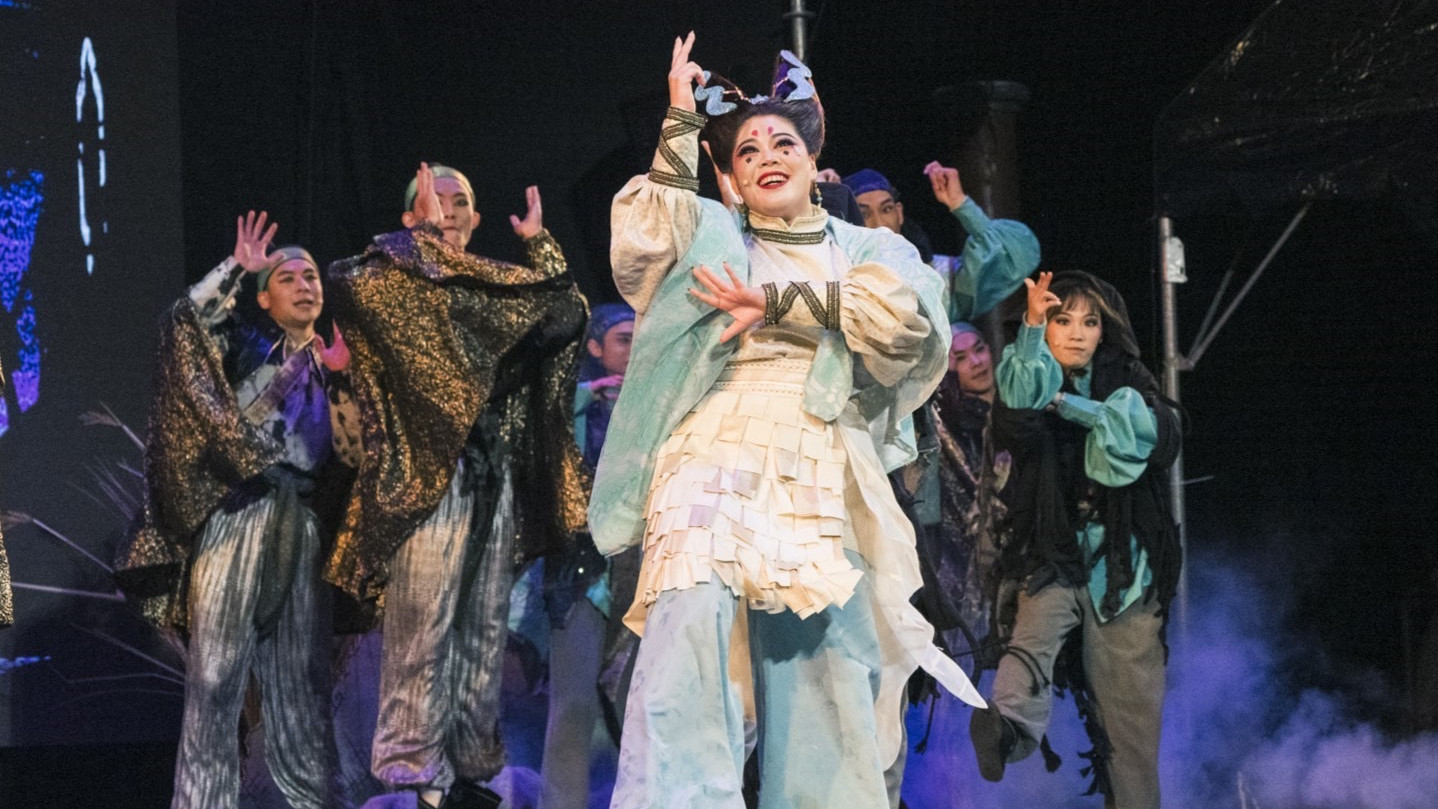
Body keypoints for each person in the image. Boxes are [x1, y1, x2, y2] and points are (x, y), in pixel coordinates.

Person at [592, 33, 991, 808]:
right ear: (732, 179)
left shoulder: (865, 247)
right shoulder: (714, 236)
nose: (767, 157)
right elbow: (645, 243)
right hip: (711, 451)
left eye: (783, 143)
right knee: (687, 635)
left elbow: (905, 324)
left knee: (823, 674)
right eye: (747, 151)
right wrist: (679, 120)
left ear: (813, 164)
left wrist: (778, 302)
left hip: (816, 459)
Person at [324, 163, 589, 809]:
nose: (448, 209)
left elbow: (565, 313)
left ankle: (472, 771)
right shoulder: (389, 277)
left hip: (490, 477)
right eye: (434, 200)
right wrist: (416, 242)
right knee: (422, 628)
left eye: (460, 200)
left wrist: (540, 247)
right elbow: (351, 283)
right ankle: (416, 777)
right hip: (424, 484)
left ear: (475, 218)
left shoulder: (493, 293)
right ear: (410, 216)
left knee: (482, 630)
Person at [116, 211, 355, 809]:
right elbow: (184, 324)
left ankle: (310, 800)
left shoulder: (340, 361)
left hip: (302, 522)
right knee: (215, 676)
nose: (304, 285)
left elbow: (353, 455)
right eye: (287, 277)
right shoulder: (245, 350)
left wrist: (345, 382)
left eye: (311, 276)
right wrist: (236, 267)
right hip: (238, 511)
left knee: (301, 683)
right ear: (265, 299)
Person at [971, 270, 1182, 809]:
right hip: (1053, 553)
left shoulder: (1129, 380)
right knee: (1029, 642)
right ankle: (1007, 729)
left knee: (1129, 727)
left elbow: (1147, 434)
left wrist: (1067, 405)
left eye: (1090, 322)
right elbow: (1019, 406)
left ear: (1105, 330)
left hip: (1123, 568)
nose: (1077, 333)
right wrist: (1030, 328)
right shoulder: (1028, 372)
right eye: (1063, 320)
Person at [841, 165, 1026, 325]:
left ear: (899, 213)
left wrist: (960, 203)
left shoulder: (936, 277)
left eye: (886, 209)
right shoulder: (838, 281)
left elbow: (1015, 259)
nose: (880, 223)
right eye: (863, 214)